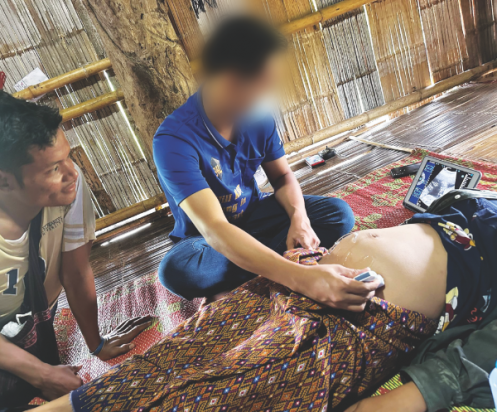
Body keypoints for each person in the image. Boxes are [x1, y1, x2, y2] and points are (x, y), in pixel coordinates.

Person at [33, 191, 497, 412]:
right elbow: (214, 227)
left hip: (362, 318)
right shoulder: (176, 138)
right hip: (297, 278)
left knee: (209, 394)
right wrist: (299, 271)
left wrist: (408, 399)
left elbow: (469, 367)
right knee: (178, 352)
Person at [153, 15, 380, 309]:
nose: (265, 98)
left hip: (256, 216)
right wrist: (302, 279)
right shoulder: (173, 140)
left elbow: (283, 177)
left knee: (338, 214)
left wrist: (299, 219)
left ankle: (246, 278)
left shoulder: (258, 119)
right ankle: (275, 266)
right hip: (206, 241)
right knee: (176, 270)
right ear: (230, 78)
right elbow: (215, 229)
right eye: (262, 86)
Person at [0, 91, 152, 410]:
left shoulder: (68, 188)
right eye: (53, 168)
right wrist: (42, 374)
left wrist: (96, 344)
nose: (72, 174)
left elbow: (76, 270)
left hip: (29, 325)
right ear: (5, 182)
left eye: (68, 156)